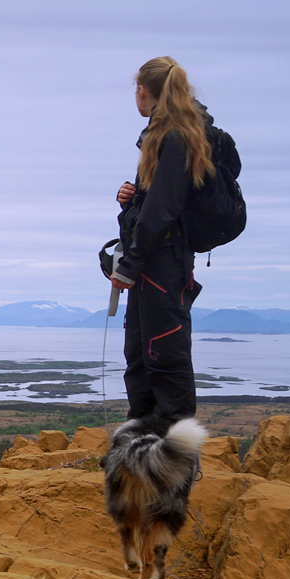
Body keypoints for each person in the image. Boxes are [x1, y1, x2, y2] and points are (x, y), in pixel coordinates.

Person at [108, 57, 217, 431]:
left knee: (164, 352)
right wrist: (131, 198)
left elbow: (163, 209)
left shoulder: (175, 135)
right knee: (140, 352)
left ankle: (174, 457)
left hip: (163, 262)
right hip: (155, 261)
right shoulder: (164, 134)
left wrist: (129, 263)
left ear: (143, 90)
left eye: (135, 89)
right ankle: (140, 439)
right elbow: (155, 201)